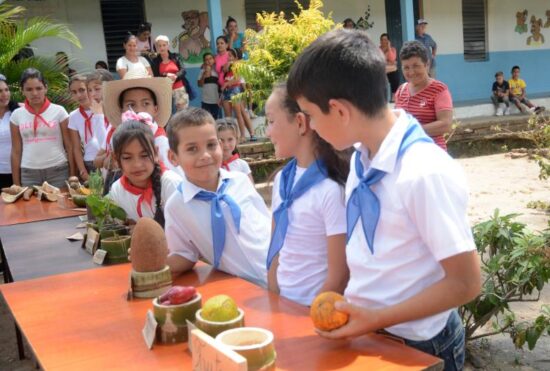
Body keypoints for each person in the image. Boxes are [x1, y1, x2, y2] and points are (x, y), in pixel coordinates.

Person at [287, 29, 481, 371]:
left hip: (421, 344)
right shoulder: (363, 160)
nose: (311, 127)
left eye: (311, 115)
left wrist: (375, 317)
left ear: (340, 111)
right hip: (373, 329)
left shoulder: (421, 172)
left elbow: (465, 282)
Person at [164, 108, 271, 287]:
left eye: (211, 145)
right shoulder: (176, 206)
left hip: (283, 272)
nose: (205, 155)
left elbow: (267, 225)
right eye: (192, 149)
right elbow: (185, 254)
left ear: (221, 146)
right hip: (245, 289)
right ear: (173, 157)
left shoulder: (240, 181)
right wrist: (151, 262)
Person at [265, 83, 349, 306]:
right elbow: (276, 248)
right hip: (283, 304)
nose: (267, 132)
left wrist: (308, 317)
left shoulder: (331, 190)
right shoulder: (283, 179)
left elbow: (338, 277)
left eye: (271, 121)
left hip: (315, 312)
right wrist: (274, 294)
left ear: (300, 122)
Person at [108, 120, 182, 226]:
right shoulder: (117, 190)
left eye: (144, 155)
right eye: (127, 157)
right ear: (116, 159)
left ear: (156, 153)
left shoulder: (171, 185)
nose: (137, 164)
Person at [10, 68, 73, 188]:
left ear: (45, 88)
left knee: (60, 206)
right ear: (22, 91)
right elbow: (16, 151)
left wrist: (73, 175)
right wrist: (16, 183)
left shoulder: (59, 111)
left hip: (58, 171)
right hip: (29, 174)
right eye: (29, 89)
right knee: (30, 207)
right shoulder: (16, 115)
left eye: (38, 88)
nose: (34, 93)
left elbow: (69, 146)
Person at [103, 70, 174, 173]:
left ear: (155, 109)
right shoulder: (116, 138)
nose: (138, 110)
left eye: (146, 103)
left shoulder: (161, 142)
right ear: (122, 110)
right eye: (130, 105)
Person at [394, 41, 453, 151]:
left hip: (432, 155)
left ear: (427, 64)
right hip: (407, 157)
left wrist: (410, 131)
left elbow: (446, 124)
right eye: (406, 67)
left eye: (416, 66)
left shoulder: (439, 89)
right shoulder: (401, 91)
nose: (411, 72)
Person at [68, 74, 107, 181]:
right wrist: (83, 171)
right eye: (74, 92)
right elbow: (76, 147)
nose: (79, 95)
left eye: (82, 90)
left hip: (108, 160)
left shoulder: (105, 109)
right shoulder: (73, 116)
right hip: (89, 163)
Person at [221, 48, 256, 143]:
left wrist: (227, 84)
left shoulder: (239, 65)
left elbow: (238, 79)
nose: (228, 58)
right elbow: (224, 71)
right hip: (226, 91)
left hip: (236, 90)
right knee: (229, 117)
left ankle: (245, 135)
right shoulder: (228, 65)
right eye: (227, 56)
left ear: (236, 57)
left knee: (240, 114)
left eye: (230, 56)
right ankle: (233, 136)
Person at [151, 35, 189, 111]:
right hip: (164, 90)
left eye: (164, 45)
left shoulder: (176, 56)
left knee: (182, 112)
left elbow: (183, 70)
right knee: (166, 112)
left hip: (179, 88)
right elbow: (155, 76)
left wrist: (175, 76)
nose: (162, 48)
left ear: (168, 46)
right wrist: (166, 75)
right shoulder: (155, 61)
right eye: (159, 46)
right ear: (156, 47)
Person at [216, 118, 253, 183]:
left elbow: (251, 189)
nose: (226, 145)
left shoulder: (242, 165)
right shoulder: (212, 166)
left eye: (230, 139)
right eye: (221, 140)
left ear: (236, 140)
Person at [0, 74, 19, 188]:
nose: (4, 94)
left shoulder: (18, 112)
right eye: (0, 91)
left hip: (17, 171)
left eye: (6, 90)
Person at [198, 52, 220, 119]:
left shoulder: (217, 71)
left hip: (216, 101)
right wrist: (204, 75)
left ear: (213, 59)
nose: (209, 61)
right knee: (206, 119)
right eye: (206, 59)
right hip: (205, 101)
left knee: (215, 119)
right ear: (204, 61)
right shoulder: (202, 71)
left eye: (210, 59)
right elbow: (199, 84)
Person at [380, 33, 399, 99]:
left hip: (389, 70)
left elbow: (392, 59)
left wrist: (389, 48)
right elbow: (379, 61)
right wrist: (389, 63)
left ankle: (394, 96)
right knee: (393, 68)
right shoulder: (378, 49)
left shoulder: (392, 49)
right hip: (381, 70)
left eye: (385, 39)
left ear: (388, 41)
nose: (383, 41)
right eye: (382, 40)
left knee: (395, 75)